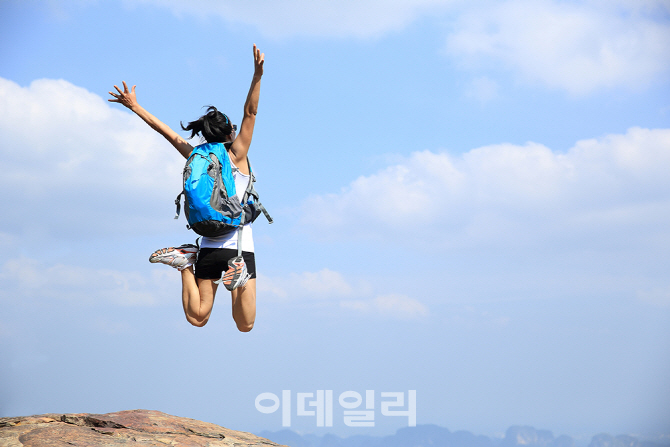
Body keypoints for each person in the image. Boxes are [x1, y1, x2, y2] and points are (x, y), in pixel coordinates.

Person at [108, 44, 265, 331]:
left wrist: (134, 106)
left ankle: (184, 263)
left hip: (205, 243)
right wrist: (257, 76)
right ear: (230, 131)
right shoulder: (236, 155)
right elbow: (251, 113)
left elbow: (164, 130)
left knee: (197, 316)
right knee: (245, 324)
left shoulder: (196, 155)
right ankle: (238, 278)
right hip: (238, 246)